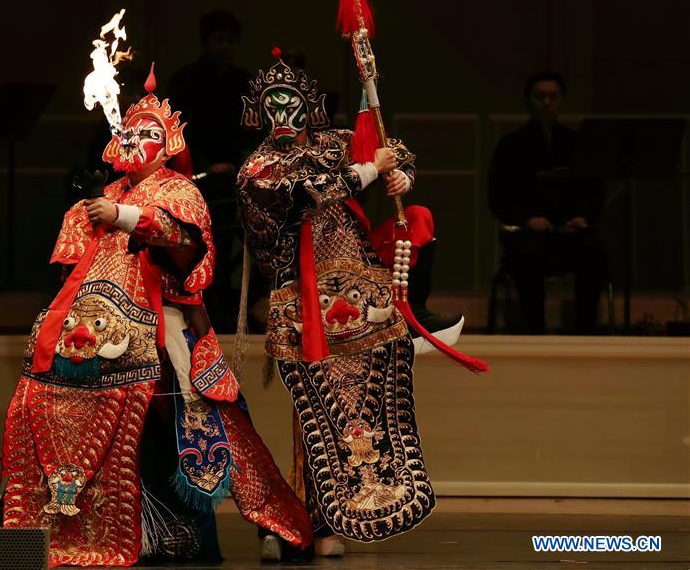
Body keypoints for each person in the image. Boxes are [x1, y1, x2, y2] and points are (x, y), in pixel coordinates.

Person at [0, 64, 311, 566]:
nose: (137, 140)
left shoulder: (177, 189)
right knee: (39, 407)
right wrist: (92, 211)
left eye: (150, 133)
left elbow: (186, 241)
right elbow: (69, 271)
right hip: (95, 332)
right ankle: (90, 527)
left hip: (163, 322)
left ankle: (275, 523)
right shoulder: (104, 195)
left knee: (207, 420)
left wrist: (124, 217)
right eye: (131, 131)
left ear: (168, 144)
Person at [236, 53, 485, 555]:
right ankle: (299, 520)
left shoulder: (336, 142)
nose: (283, 115)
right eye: (272, 106)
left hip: (360, 292)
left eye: (291, 104)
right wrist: (373, 169)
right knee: (315, 411)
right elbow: (313, 193)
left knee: (363, 403)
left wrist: (399, 176)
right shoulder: (258, 169)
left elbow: (394, 150)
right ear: (257, 113)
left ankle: (324, 520)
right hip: (302, 299)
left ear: (312, 109)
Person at [488, 71, 607, 334]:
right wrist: (526, 219)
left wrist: (583, 217)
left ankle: (586, 332)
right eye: (540, 96)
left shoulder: (576, 143)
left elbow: (594, 190)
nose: (547, 102)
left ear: (562, 101)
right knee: (526, 253)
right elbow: (498, 195)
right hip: (529, 233)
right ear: (529, 101)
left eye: (553, 96)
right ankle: (534, 332)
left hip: (570, 232)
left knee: (594, 252)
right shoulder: (511, 145)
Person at [167, 10, 251, 332]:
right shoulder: (185, 80)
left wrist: (237, 163)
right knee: (200, 244)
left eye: (231, 40)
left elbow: (250, 132)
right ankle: (201, 303)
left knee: (232, 243)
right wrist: (204, 165)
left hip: (234, 178)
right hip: (196, 179)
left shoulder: (243, 81)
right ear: (205, 42)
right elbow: (178, 133)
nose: (226, 46)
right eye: (219, 39)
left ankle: (227, 306)